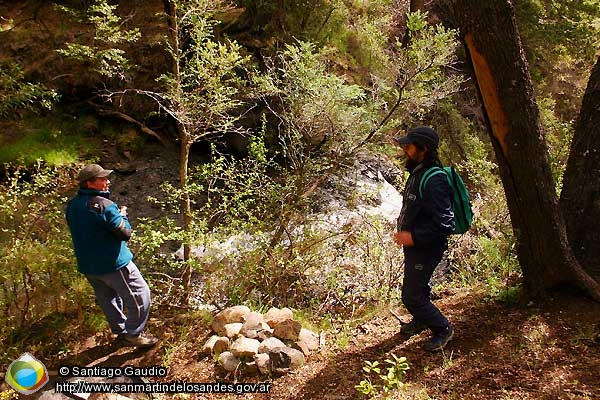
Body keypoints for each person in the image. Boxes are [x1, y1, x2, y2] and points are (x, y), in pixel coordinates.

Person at [66, 164, 158, 348]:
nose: (108, 181)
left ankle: (120, 331)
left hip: (89, 266)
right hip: (114, 264)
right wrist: (122, 215)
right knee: (141, 296)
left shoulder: (73, 205)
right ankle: (133, 334)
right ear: (90, 183)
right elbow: (125, 234)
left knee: (108, 300)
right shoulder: (104, 206)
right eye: (103, 179)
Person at [393, 126, 455, 352]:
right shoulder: (418, 171)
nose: (405, 150)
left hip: (425, 247)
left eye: (408, 146)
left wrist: (412, 237)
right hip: (416, 246)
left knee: (411, 296)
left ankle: (443, 328)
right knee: (420, 287)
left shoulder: (434, 179)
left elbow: (445, 224)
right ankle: (421, 320)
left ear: (424, 149)